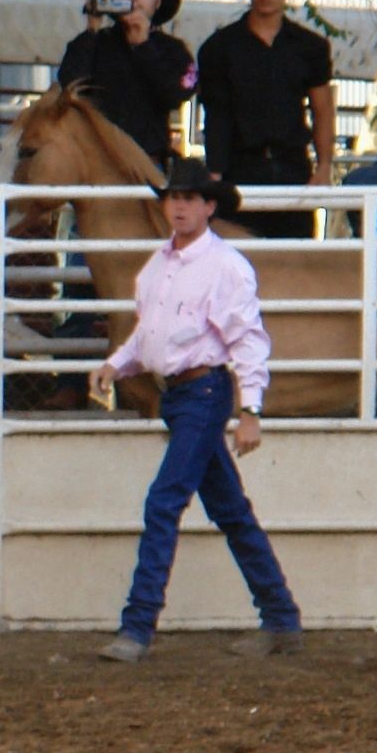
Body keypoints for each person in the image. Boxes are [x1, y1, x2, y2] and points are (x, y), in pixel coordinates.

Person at [88, 158, 302, 663]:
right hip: (187, 396)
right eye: (173, 197)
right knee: (229, 510)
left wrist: (251, 409)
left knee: (164, 502)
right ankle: (281, 617)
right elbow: (149, 336)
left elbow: (247, 341)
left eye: (189, 198)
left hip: (202, 396)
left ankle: (137, 627)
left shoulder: (224, 267)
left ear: (208, 207)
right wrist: (116, 364)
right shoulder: (160, 265)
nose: (179, 206)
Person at [199, 0, 334, 240]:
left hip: (292, 166)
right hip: (239, 167)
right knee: (237, 260)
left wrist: (324, 166)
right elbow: (216, 113)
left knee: (295, 262)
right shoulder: (220, 47)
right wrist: (215, 173)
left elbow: (322, 108)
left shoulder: (310, 47)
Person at [56, 0, 194, 167]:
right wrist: (92, 26)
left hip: (147, 162)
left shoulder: (173, 49)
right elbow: (71, 83)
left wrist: (143, 45)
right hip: (96, 161)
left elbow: (176, 95)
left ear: (157, 2)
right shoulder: (96, 42)